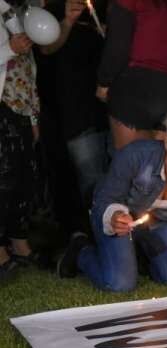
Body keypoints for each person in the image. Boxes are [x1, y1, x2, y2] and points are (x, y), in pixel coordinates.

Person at [57, 106, 167, 293]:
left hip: (158, 221)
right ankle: (81, 251)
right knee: (119, 284)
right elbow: (106, 197)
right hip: (116, 216)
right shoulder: (136, 155)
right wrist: (115, 217)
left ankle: (139, 257)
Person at [42, 0, 109, 208]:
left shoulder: (108, 6)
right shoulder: (55, 7)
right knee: (93, 185)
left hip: (116, 110)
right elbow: (46, 47)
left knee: (124, 179)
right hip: (78, 112)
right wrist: (68, 21)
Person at [96, 0, 167, 150]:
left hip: (134, 88)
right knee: (161, 160)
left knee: (131, 159)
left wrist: (104, 82)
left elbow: (117, 46)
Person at [1, 0, 40, 279]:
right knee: (3, 180)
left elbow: (29, 69)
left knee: (24, 179)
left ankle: (18, 242)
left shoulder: (21, 12)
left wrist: (34, 116)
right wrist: (9, 49)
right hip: (2, 107)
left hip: (22, 109)